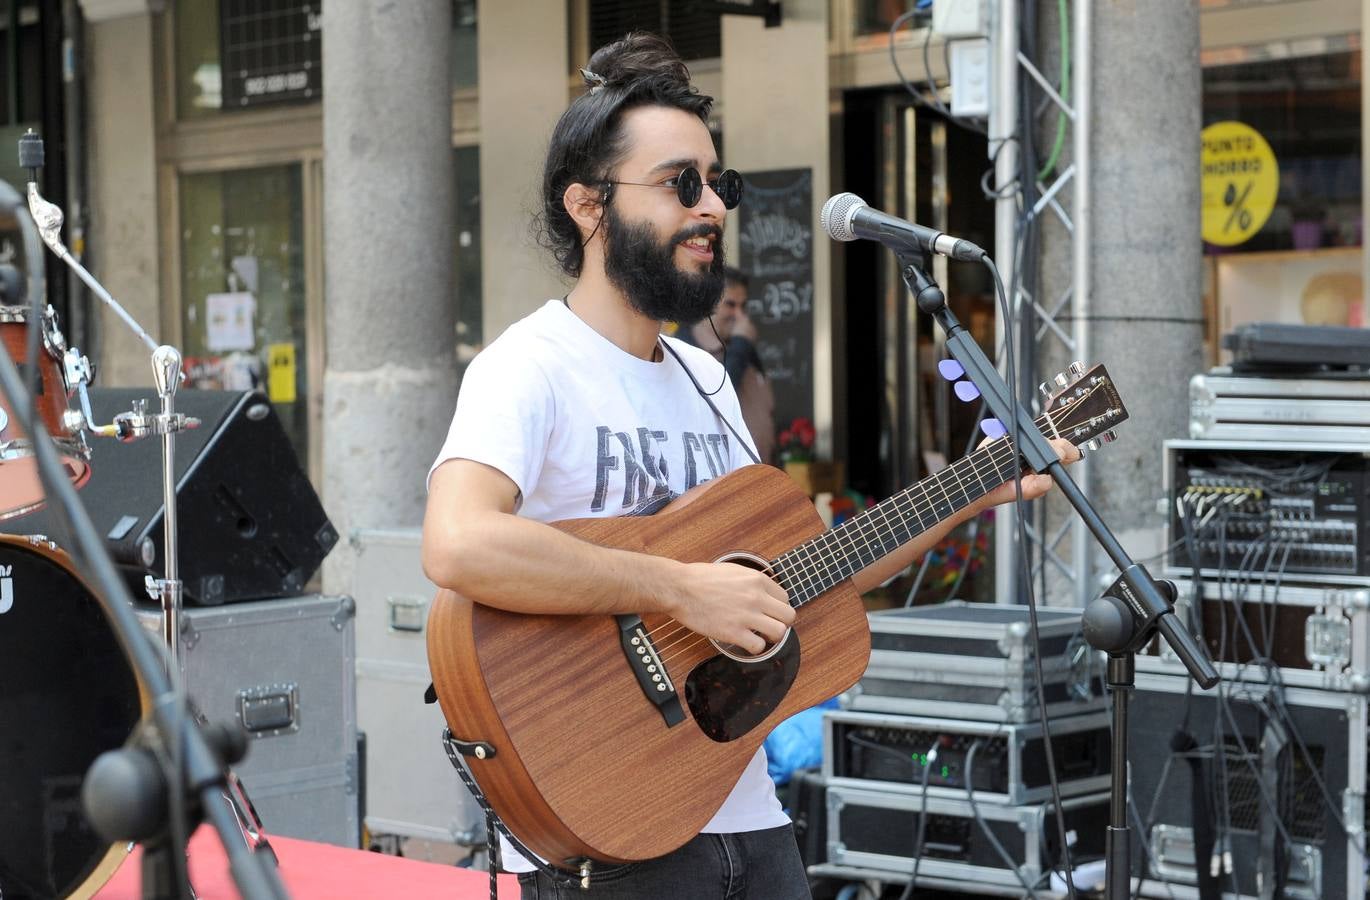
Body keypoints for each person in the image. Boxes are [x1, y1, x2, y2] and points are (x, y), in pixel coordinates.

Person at [421, 32, 1077, 900]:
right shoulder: (528, 366)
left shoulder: (706, 380)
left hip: (741, 809)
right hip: (605, 820)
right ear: (588, 206)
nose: (712, 207)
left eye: (718, 184)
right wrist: (679, 590)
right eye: (679, 183)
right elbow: (459, 544)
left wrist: (973, 492)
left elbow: (798, 575)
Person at [679, 268, 776, 464]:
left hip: (762, 479)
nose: (740, 316)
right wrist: (741, 345)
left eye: (743, 306)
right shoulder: (684, 353)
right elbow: (717, 398)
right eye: (730, 305)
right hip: (724, 485)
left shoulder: (741, 346)